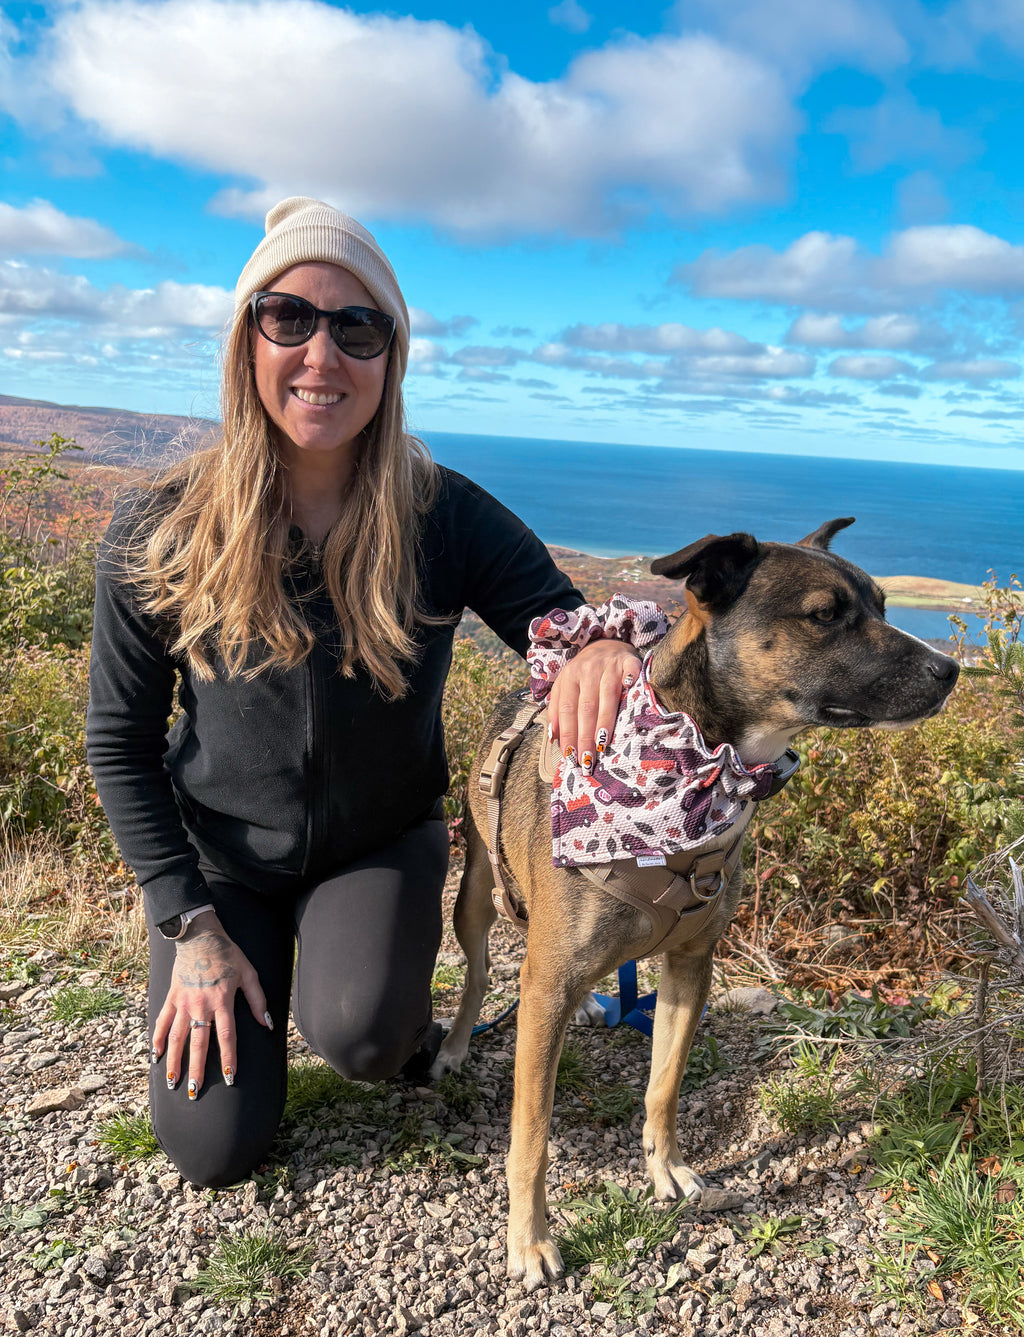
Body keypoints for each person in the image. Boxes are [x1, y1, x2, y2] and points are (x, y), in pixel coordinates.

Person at [87, 197, 641, 1188]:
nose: (320, 354)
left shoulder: (444, 515)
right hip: (219, 866)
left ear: (391, 358)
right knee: (211, 1148)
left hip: (378, 844)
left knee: (365, 1037)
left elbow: (560, 625)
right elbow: (118, 739)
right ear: (246, 341)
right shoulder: (159, 528)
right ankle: (240, 960)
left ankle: (361, 980)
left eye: (358, 327)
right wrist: (188, 924)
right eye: (288, 317)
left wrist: (599, 652)